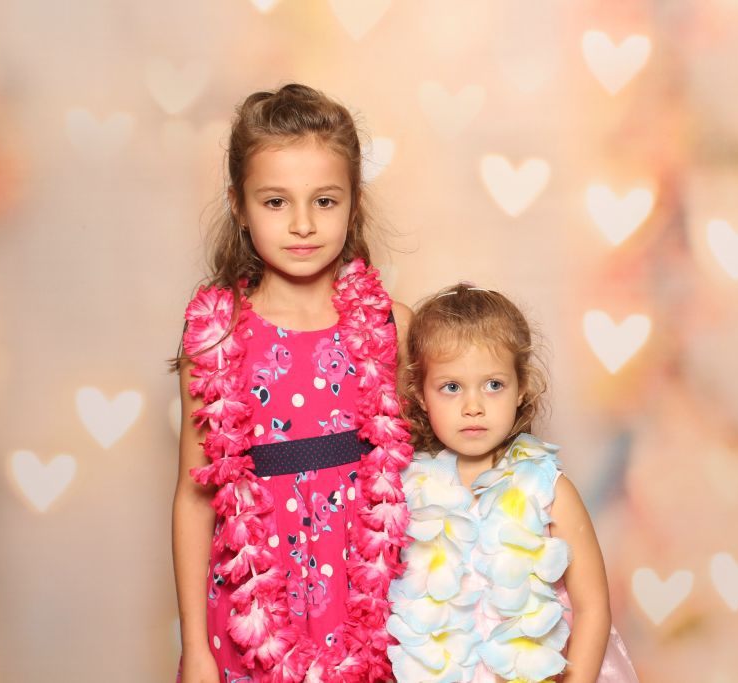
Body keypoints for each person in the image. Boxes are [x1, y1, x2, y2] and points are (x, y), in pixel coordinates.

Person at [171, 83, 413, 683]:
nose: (303, 224)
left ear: (354, 205)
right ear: (238, 205)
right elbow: (194, 496)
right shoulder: (216, 336)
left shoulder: (390, 326)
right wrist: (196, 649)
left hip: (369, 600)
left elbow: (433, 469)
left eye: (324, 201)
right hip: (254, 601)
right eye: (276, 202)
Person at [388, 284, 638, 682]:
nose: (473, 407)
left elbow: (593, 608)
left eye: (493, 385)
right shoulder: (403, 492)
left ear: (521, 387)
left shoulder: (550, 491)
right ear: (420, 395)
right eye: (451, 387)